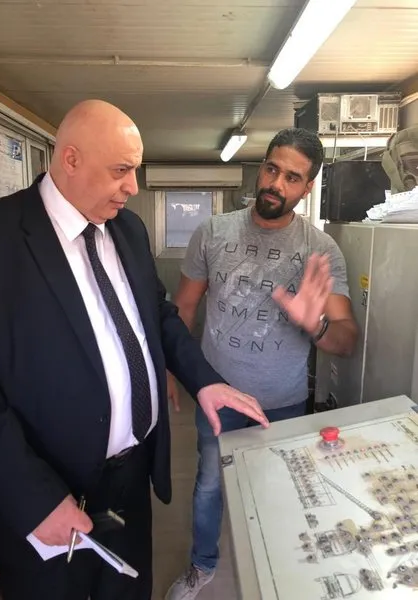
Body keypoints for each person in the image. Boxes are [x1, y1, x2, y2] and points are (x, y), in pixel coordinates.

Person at [0, 99, 269, 600]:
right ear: (70, 159)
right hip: (48, 485)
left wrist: (204, 381)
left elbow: (159, 316)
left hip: (131, 476)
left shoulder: (127, 229)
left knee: (128, 589)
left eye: (135, 170)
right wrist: (34, 498)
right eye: (120, 171)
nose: (133, 187)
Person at [165, 127, 358, 600]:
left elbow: (347, 339)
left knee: (279, 491)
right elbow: (183, 308)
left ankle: (278, 575)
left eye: (292, 177)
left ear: (307, 187)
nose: (276, 183)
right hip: (218, 395)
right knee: (209, 486)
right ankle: (202, 566)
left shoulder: (321, 250)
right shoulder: (213, 232)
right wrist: (171, 368)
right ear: (262, 166)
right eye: (272, 169)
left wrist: (314, 325)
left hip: (284, 402)